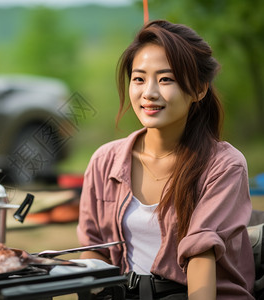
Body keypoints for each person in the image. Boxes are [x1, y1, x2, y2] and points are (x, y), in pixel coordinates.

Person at [77, 20, 255, 299]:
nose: (149, 93)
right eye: (139, 78)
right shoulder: (104, 161)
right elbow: (95, 249)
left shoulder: (224, 165)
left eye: (165, 79)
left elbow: (200, 255)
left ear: (199, 89)